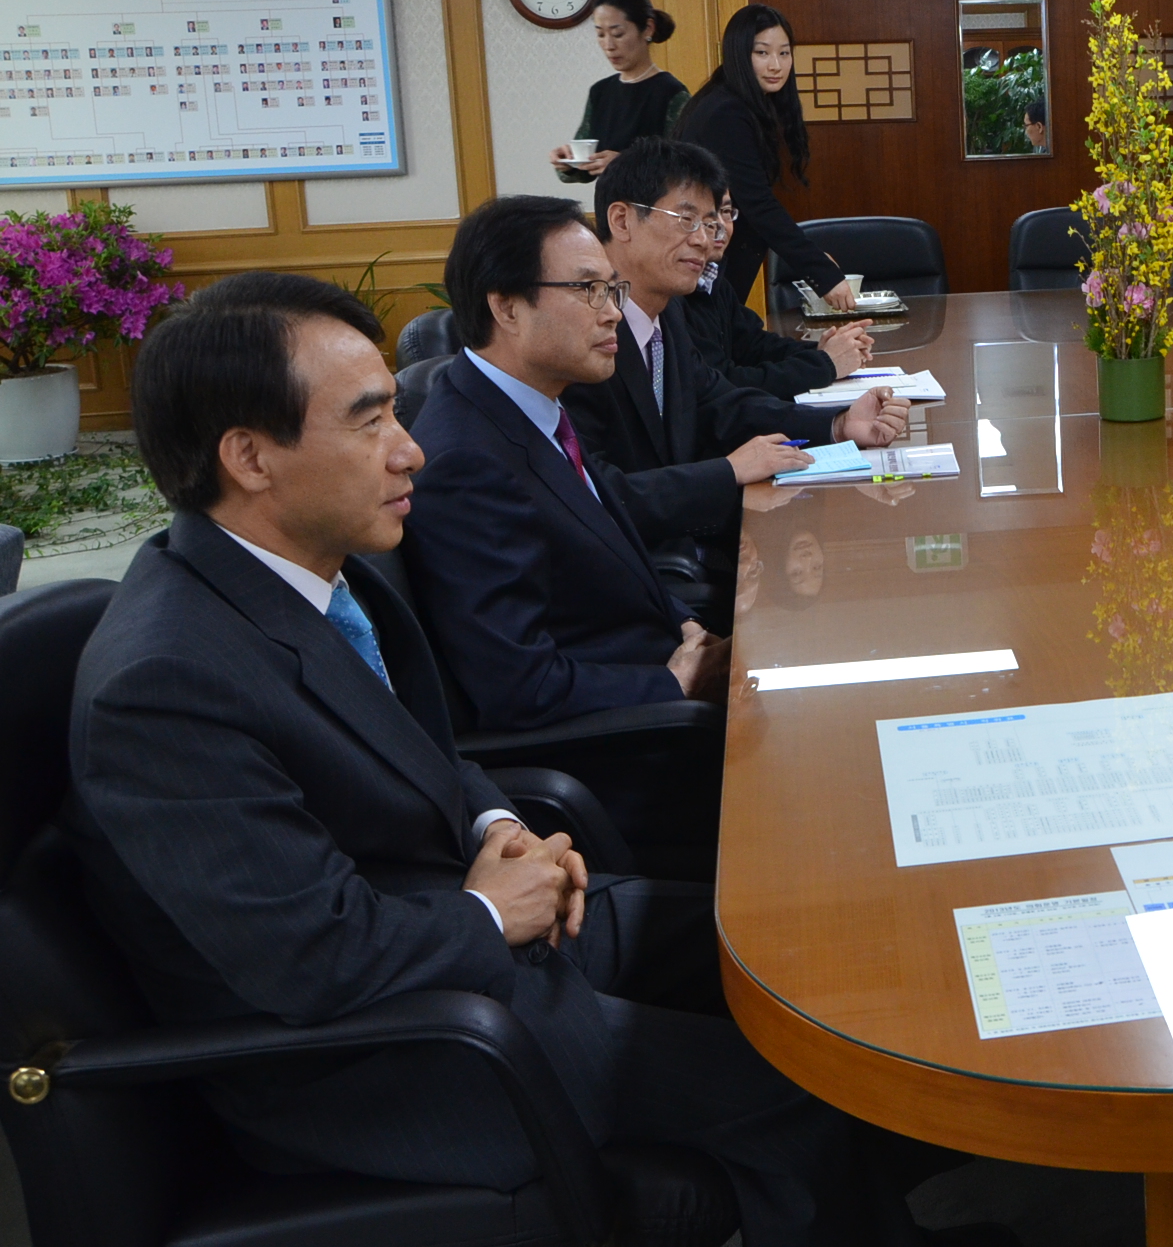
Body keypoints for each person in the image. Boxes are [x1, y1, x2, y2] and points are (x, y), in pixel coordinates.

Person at [65, 269, 929, 1244]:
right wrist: (486, 909)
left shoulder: (315, 577)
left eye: (397, 410)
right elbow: (310, 963)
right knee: (788, 1081)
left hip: (472, 943)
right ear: (250, 456)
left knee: (796, 943)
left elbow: (429, 756)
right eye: (368, 422)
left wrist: (498, 823)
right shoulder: (166, 681)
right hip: (392, 1056)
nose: (410, 451)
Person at [399, 196, 731, 728]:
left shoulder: (534, 406)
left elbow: (615, 574)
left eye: (611, 288)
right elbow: (517, 685)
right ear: (506, 307)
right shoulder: (466, 462)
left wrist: (690, 628)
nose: (613, 312)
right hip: (632, 743)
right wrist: (676, 682)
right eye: (587, 290)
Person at [565, 138, 907, 574]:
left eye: (710, 224)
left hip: (685, 541)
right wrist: (729, 471)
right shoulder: (581, 334)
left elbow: (719, 402)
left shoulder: (664, 313)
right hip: (626, 567)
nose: (706, 241)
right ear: (622, 219)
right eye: (686, 220)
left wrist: (839, 425)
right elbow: (595, 493)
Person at [675, 2, 854, 309]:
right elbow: (757, 203)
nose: (776, 65)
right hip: (699, 258)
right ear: (740, 54)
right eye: (762, 53)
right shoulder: (726, 111)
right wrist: (822, 273)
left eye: (784, 53)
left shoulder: (732, 100)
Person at [674, 184, 873, 397]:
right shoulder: (673, 294)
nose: (720, 226)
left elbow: (753, 345)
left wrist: (821, 351)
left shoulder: (713, 279)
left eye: (725, 212)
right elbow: (723, 383)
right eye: (705, 216)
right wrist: (824, 364)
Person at [551, 0, 688, 183]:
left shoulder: (671, 93)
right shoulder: (600, 92)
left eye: (618, 34)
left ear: (648, 29)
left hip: (652, 210)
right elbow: (586, 164)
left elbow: (686, 166)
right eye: (600, 34)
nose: (608, 45)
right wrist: (567, 160)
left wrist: (625, 164)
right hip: (608, 208)